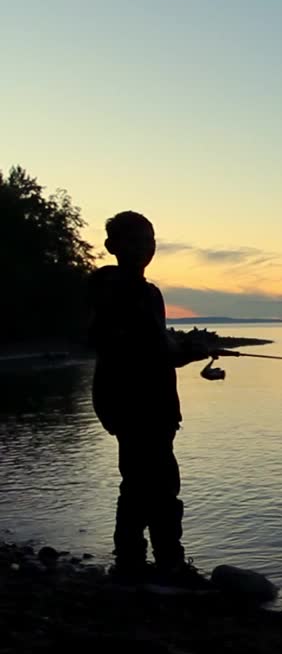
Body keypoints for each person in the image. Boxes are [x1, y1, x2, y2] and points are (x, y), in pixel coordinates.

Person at [87, 211, 214, 587]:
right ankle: (152, 562)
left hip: (155, 404)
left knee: (149, 483)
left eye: (150, 239)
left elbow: (157, 346)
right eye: (135, 240)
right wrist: (189, 351)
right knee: (150, 485)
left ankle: (144, 561)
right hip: (132, 405)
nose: (145, 247)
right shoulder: (112, 293)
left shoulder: (149, 292)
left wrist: (185, 348)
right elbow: (140, 351)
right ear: (112, 247)